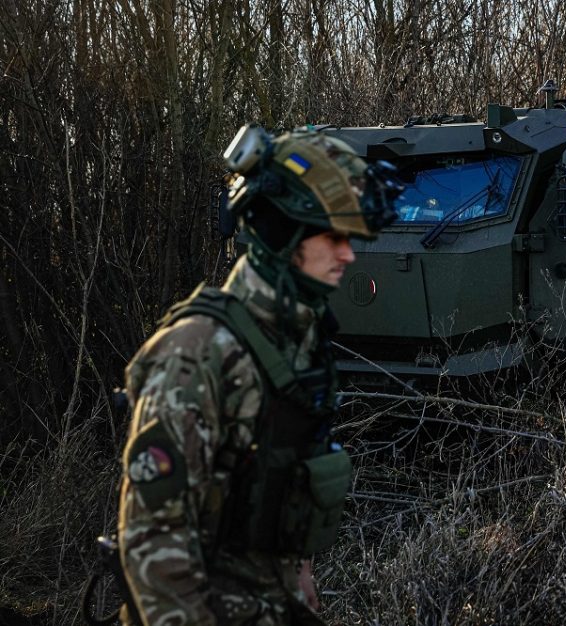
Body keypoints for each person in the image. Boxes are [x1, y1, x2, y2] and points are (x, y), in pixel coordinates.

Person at [117, 124, 401, 625]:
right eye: (333, 236)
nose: (349, 254)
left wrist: (301, 582)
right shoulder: (198, 354)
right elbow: (154, 550)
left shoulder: (297, 339)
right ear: (282, 232)